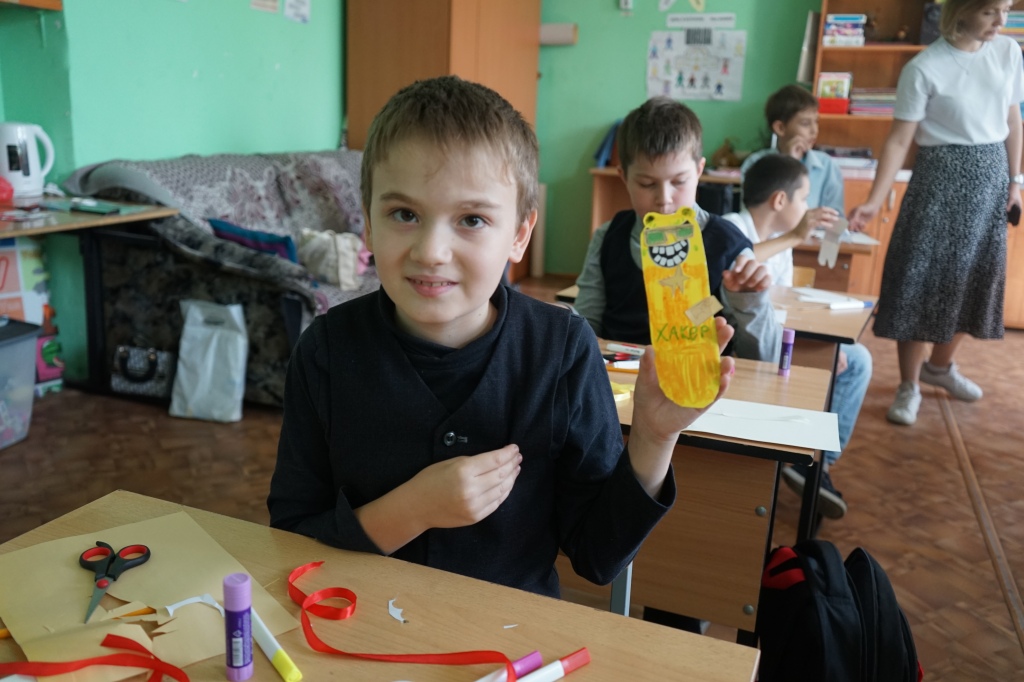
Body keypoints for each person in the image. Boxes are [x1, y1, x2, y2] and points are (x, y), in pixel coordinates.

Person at [267, 76, 736, 599]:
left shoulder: (562, 351)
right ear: (369, 225)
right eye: (404, 214)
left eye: (471, 219)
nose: (431, 252)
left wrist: (653, 439)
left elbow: (598, 554)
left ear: (519, 234)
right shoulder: (326, 351)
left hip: (511, 635)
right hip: (357, 625)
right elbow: (291, 538)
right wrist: (413, 510)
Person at [848, 0, 1023, 425]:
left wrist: (1015, 181)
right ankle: (909, 384)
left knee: (974, 280)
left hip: (990, 182)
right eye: (990, 12)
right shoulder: (924, 67)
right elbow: (898, 140)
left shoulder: (1008, 52)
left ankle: (939, 368)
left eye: (1005, 9)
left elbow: (1013, 118)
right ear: (961, 9)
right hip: (937, 182)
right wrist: (873, 200)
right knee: (919, 280)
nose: (1002, 21)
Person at [574, 96, 781, 363]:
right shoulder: (609, 237)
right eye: (647, 184)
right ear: (624, 177)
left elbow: (763, 359)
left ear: (699, 171)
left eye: (679, 181)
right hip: (617, 376)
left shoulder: (727, 246)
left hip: (695, 379)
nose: (664, 199)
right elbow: (586, 328)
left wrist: (750, 303)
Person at [723, 155, 873, 520]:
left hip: (775, 333)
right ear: (779, 200)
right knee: (855, 362)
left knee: (855, 358)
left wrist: (826, 342)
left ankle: (818, 465)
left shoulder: (781, 242)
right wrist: (794, 236)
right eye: (803, 198)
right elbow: (735, 259)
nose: (806, 208)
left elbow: (783, 302)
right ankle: (813, 466)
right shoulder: (730, 226)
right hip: (745, 341)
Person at [741, 84, 845, 214]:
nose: (814, 130)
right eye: (805, 123)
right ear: (780, 128)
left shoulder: (827, 166)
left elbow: (837, 219)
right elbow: (753, 216)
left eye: (816, 122)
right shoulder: (755, 164)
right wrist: (789, 163)